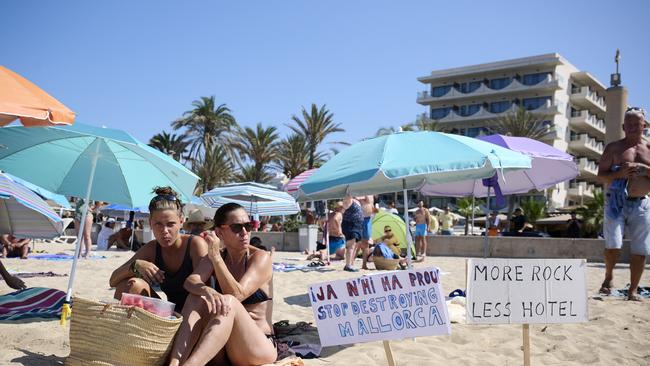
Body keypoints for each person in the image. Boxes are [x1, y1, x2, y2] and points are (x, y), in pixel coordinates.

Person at [169, 202, 276, 366]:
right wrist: (206, 290)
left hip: (256, 346)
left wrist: (216, 259)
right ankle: (175, 363)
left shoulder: (260, 258)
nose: (245, 233)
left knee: (229, 302)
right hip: (223, 344)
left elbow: (237, 295)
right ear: (219, 232)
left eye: (249, 225)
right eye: (237, 228)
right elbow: (191, 281)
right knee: (196, 297)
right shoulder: (219, 254)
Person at [109, 187, 208, 312]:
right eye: (158, 224)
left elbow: (205, 292)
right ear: (150, 223)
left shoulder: (195, 244)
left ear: (181, 221)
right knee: (129, 285)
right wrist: (136, 265)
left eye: (170, 224)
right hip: (171, 313)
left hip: (198, 313)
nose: (164, 231)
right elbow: (113, 281)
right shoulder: (152, 248)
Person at [597, 107, 650, 301]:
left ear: (644, 125)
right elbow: (601, 175)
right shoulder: (614, 148)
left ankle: (633, 290)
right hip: (616, 202)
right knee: (613, 245)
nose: (634, 127)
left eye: (637, 124)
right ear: (623, 126)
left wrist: (644, 169)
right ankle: (608, 277)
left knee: (641, 249)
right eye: (630, 124)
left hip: (642, 204)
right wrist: (618, 174)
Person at [341, 195, 364, 272]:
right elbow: (344, 205)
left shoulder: (355, 200)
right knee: (351, 246)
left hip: (357, 225)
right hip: (351, 225)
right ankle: (348, 265)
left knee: (354, 246)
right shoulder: (348, 198)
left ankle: (350, 264)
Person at [358, 195, 375, 269]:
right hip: (362, 218)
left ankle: (364, 264)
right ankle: (351, 263)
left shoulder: (370, 193)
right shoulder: (360, 193)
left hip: (368, 219)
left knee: (366, 243)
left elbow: (371, 204)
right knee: (358, 243)